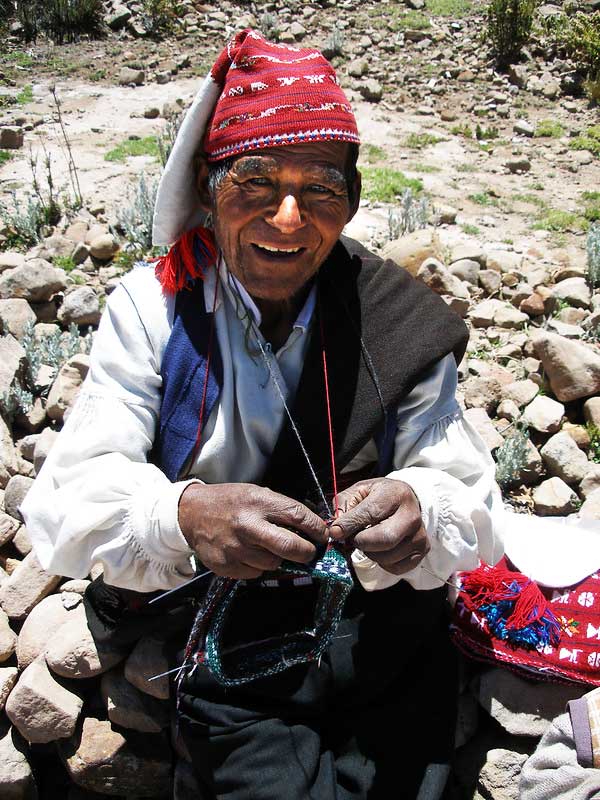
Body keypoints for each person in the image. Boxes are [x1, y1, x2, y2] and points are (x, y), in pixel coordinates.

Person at [22, 29, 504, 800]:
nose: (288, 218)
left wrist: (421, 506)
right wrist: (182, 515)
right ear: (210, 188)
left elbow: (468, 495)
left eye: (321, 189)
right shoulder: (157, 307)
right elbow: (67, 507)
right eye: (255, 181)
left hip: (375, 621)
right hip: (215, 624)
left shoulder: (394, 317)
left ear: (351, 201)